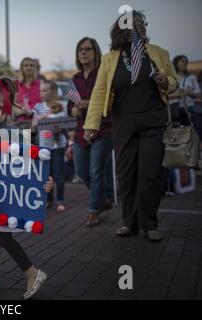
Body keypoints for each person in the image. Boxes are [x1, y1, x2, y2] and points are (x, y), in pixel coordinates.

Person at [83, 11, 178, 241]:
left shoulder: (159, 53)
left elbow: (174, 82)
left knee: (150, 174)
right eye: (134, 24)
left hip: (153, 121)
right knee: (126, 174)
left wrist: (167, 82)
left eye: (142, 23)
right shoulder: (110, 58)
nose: (140, 27)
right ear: (122, 30)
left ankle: (149, 224)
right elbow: (99, 92)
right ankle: (129, 222)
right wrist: (91, 124)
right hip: (122, 122)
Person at [0, 76, 53, 300]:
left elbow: (33, 164)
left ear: (6, 110)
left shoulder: (13, 134)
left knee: (2, 238)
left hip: (9, 198)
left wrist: (46, 182)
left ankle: (32, 273)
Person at [68, 37, 114, 227]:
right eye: (80, 50)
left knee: (96, 171)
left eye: (88, 49)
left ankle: (94, 210)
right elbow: (69, 105)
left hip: (103, 129)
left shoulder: (104, 74)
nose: (84, 53)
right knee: (81, 171)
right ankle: (102, 199)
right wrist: (74, 109)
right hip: (81, 131)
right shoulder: (76, 78)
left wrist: (90, 104)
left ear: (95, 52)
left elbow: (112, 101)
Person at [33, 80, 67, 212]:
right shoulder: (38, 107)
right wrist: (38, 121)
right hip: (44, 146)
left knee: (58, 174)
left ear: (52, 92)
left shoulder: (59, 107)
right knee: (47, 174)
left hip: (58, 145)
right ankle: (48, 199)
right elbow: (34, 126)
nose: (42, 93)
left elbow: (64, 125)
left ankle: (60, 200)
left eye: (45, 90)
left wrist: (59, 128)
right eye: (41, 90)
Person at [168, 55, 201, 126]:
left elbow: (199, 94)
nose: (185, 63)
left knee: (194, 130)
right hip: (175, 109)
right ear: (176, 62)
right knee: (180, 133)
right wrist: (181, 94)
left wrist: (189, 92)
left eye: (186, 61)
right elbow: (166, 95)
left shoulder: (191, 77)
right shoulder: (171, 78)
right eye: (182, 61)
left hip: (190, 107)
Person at [13, 57, 42, 129]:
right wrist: (20, 111)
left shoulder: (40, 84)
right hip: (19, 122)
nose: (28, 67)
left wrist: (32, 112)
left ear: (35, 68)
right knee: (18, 139)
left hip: (38, 122)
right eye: (25, 65)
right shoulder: (16, 84)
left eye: (31, 65)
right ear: (21, 68)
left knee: (33, 140)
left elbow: (44, 103)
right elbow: (12, 103)